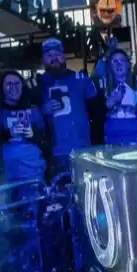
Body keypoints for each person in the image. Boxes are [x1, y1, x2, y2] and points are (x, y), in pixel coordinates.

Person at [31, 38, 102, 175]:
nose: (54, 58)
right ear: (43, 60)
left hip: (83, 149)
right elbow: (31, 121)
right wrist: (43, 110)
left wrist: (96, 143)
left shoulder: (81, 79)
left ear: (64, 57)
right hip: (53, 154)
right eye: (49, 55)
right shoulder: (36, 85)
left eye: (57, 54)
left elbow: (97, 113)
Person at [0, 70, 47, 184]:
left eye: (17, 83)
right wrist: (8, 133)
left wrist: (33, 135)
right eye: (9, 84)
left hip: (34, 172)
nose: (13, 87)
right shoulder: (0, 112)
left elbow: (46, 139)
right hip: (7, 175)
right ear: (2, 87)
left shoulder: (33, 110)